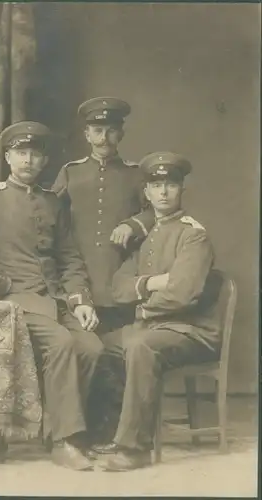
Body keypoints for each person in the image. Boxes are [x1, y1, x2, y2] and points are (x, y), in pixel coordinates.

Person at [0, 121, 104, 471]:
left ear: (44, 160)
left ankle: (66, 432)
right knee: (61, 343)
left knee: (93, 347)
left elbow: (69, 258)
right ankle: (64, 443)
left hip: (56, 301)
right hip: (16, 302)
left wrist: (81, 300)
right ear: (8, 157)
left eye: (35, 154)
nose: (28, 160)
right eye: (20, 153)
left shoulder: (53, 203)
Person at [92, 152, 222, 471]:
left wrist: (142, 311)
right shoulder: (149, 235)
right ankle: (109, 431)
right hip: (156, 328)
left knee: (141, 347)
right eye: (156, 185)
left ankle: (134, 448)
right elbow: (118, 286)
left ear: (181, 191)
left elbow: (183, 294)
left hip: (191, 332)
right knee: (100, 347)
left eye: (171, 185)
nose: (164, 192)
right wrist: (152, 282)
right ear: (147, 193)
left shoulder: (193, 234)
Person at [52, 97, 155, 334]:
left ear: (121, 135)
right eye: (97, 131)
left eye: (111, 131)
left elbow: (155, 211)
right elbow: (50, 215)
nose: (103, 138)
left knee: (119, 347)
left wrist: (133, 225)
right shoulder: (70, 172)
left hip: (118, 272)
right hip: (76, 272)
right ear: (87, 134)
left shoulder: (136, 173)